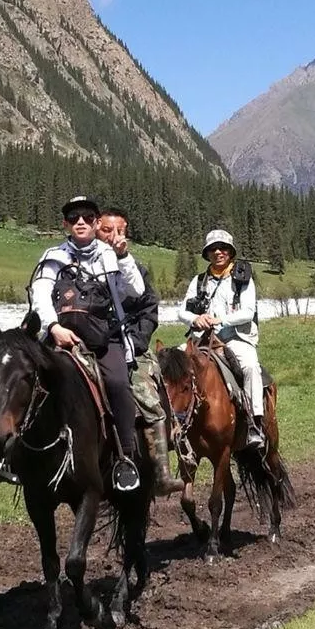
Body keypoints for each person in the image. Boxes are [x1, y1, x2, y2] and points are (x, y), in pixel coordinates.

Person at [0, 196, 145, 490]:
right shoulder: (53, 255)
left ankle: (124, 457)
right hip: (58, 335)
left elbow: (135, 290)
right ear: (65, 224)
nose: (80, 221)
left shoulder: (110, 255)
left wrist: (123, 256)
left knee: (118, 383)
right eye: (73, 217)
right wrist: (54, 327)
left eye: (87, 216)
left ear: (96, 222)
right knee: (13, 377)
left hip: (102, 339)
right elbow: (41, 294)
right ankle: (6, 457)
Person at [97, 205, 183, 495]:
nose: (112, 236)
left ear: (127, 233)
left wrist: (136, 341)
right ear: (97, 230)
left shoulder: (136, 268)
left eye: (118, 230)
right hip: (89, 341)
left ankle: (161, 472)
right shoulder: (84, 264)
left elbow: (149, 309)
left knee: (146, 393)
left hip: (130, 344)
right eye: (106, 230)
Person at [178, 228, 266, 450]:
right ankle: (173, 419)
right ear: (207, 253)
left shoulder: (242, 278)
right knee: (173, 363)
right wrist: (197, 319)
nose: (218, 252)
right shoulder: (198, 281)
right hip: (203, 338)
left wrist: (220, 320)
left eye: (223, 248)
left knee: (250, 367)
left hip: (235, 338)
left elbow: (247, 311)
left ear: (230, 252)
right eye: (213, 249)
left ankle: (255, 424)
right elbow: (182, 312)